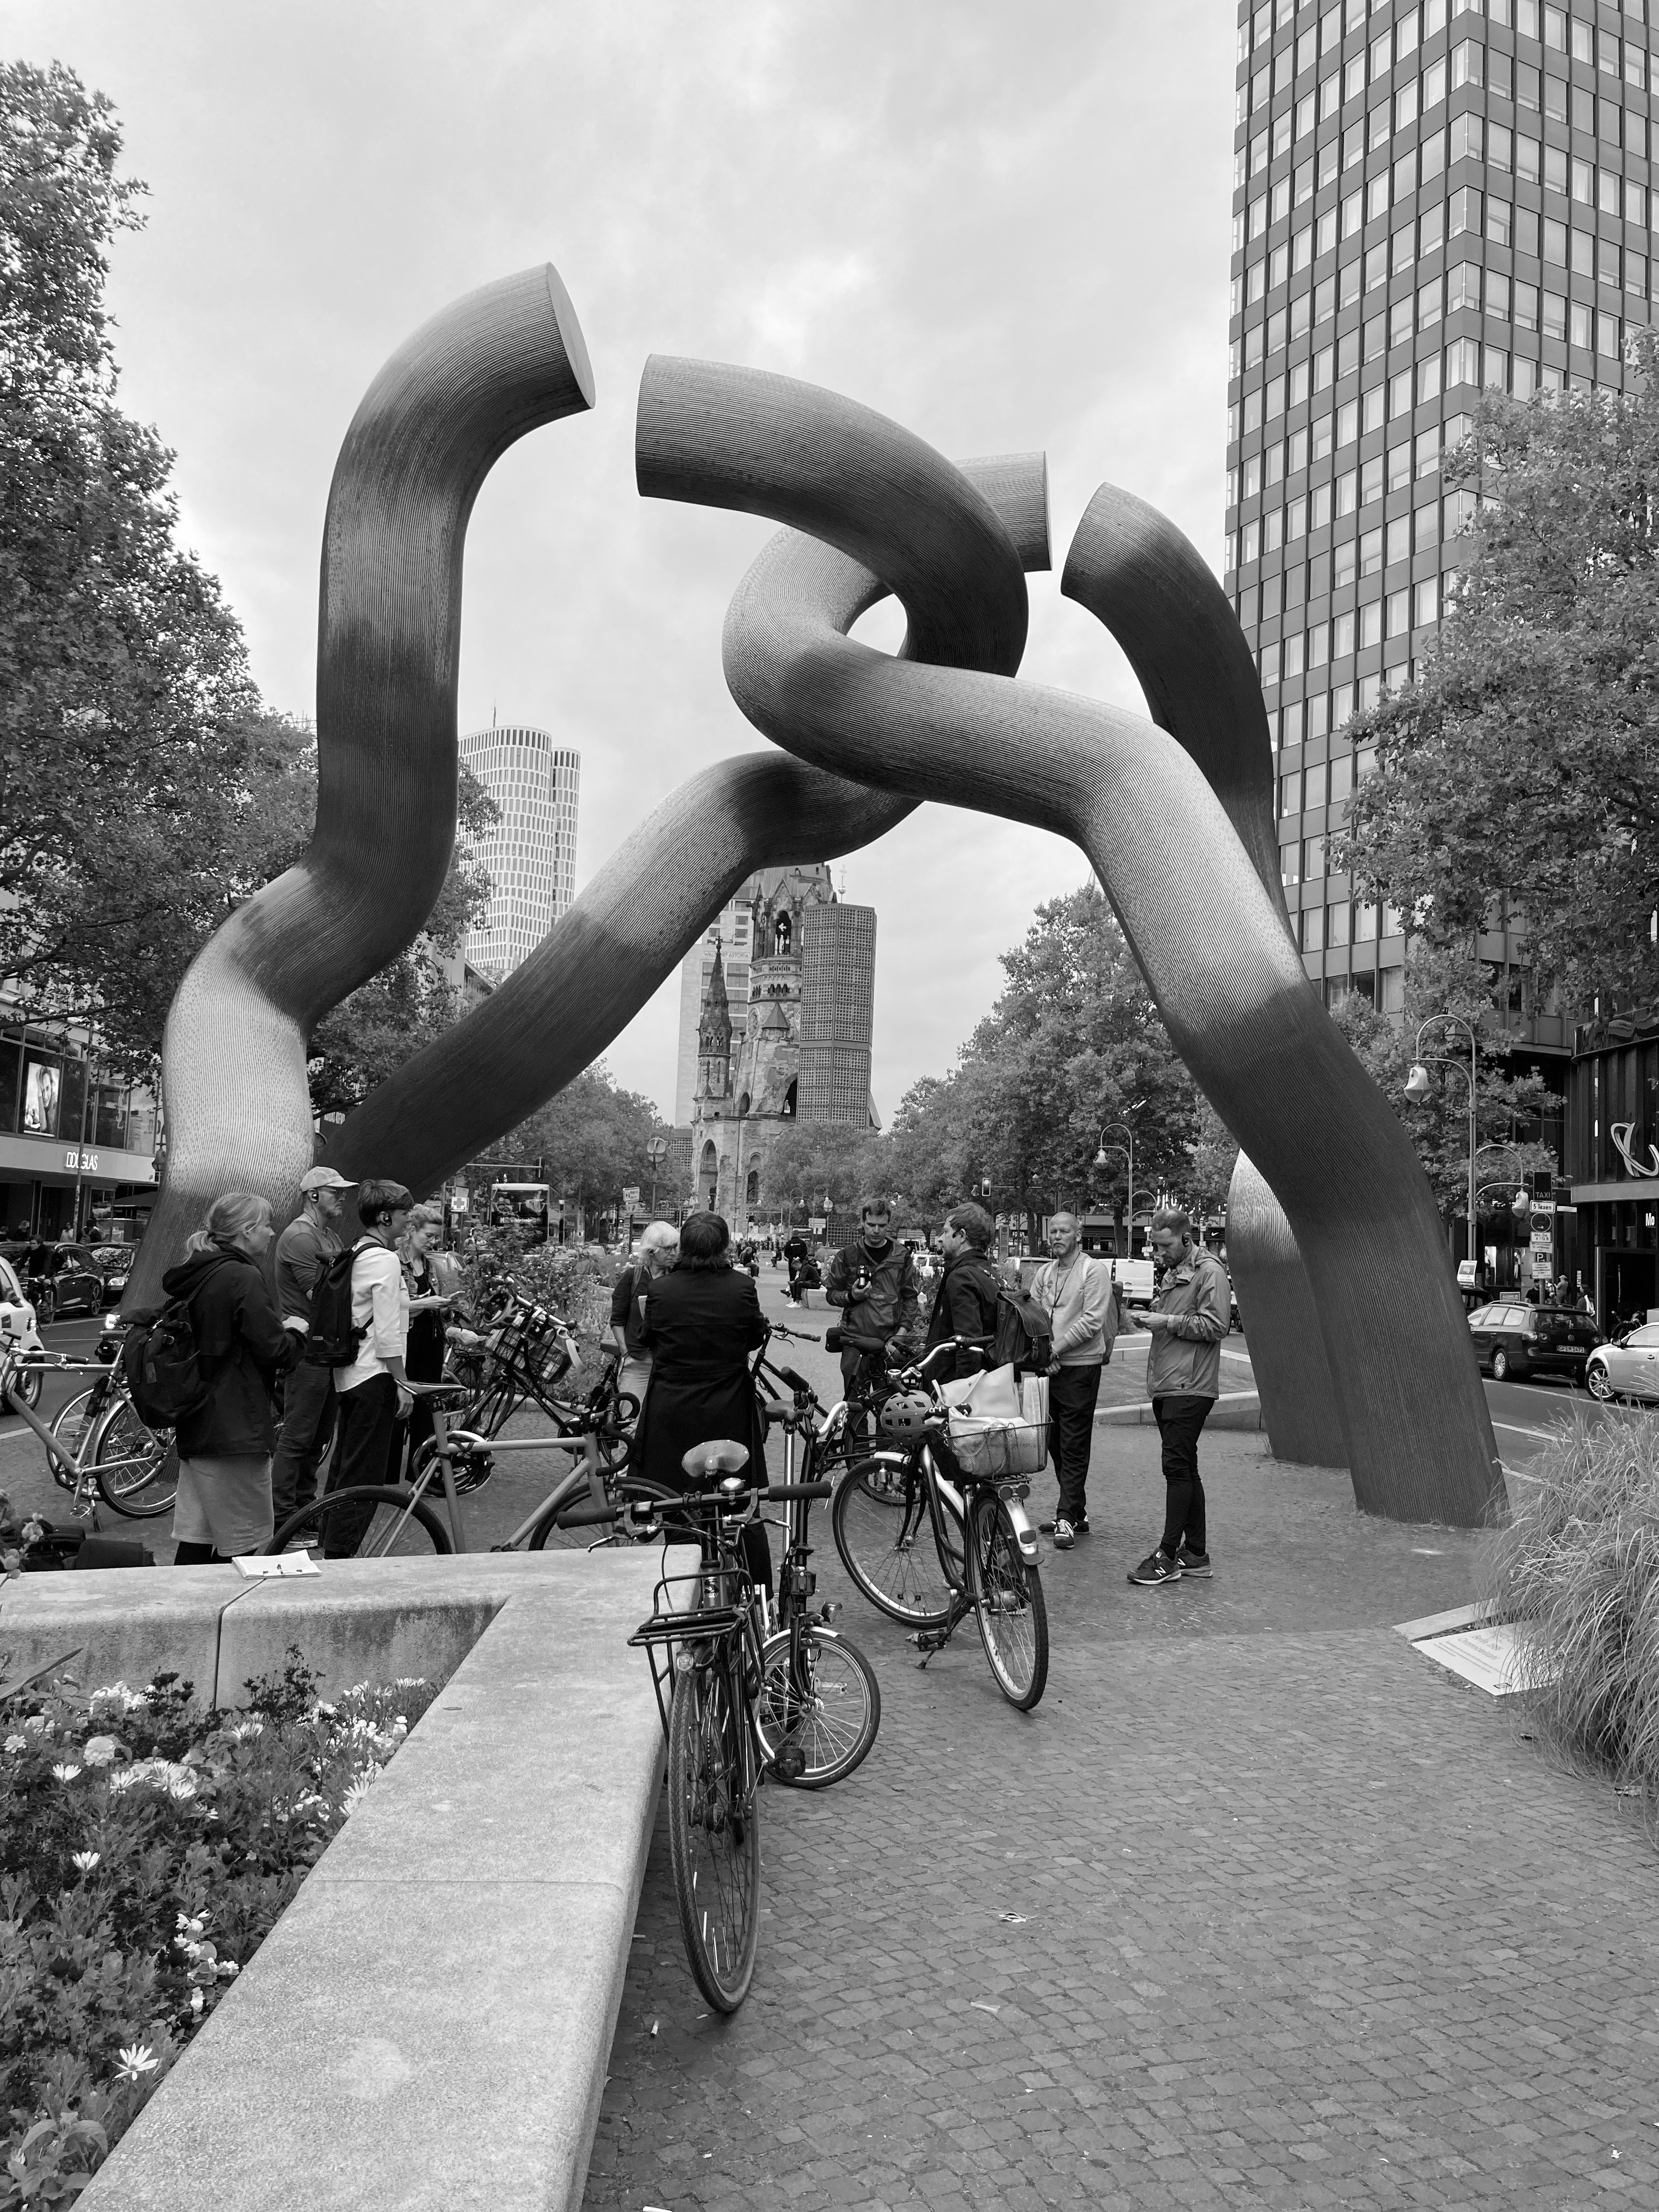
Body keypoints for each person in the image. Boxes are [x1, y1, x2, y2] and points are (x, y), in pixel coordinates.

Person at [631, 1211, 771, 1590]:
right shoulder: (741, 1287)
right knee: (740, 1500)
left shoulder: (662, 1291)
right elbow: (755, 1337)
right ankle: (755, 1593)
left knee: (675, 1501)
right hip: (727, 1405)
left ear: (686, 1246)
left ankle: (682, 1584)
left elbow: (648, 1339)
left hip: (673, 1409)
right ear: (724, 1246)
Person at [162, 1192, 302, 1564]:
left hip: (200, 1422)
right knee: (244, 1545)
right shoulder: (242, 1276)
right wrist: (297, 1332)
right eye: (267, 1225)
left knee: (197, 1538)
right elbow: (275, 1350)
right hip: (237, 1428)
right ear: (247, 1230)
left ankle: (179, 1614)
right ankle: (226, 1619)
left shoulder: (200, 1272)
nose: (272, 1233)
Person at [1130, 1206, 1230, 1589]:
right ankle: (1196, 1555)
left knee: (1176, 1468)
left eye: (1164, 1246)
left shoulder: (1210, 1272)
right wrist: (1160, 1314)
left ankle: (1168, 1555)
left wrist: (1166, 1322)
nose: (1158, 1254)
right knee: (1185, 1467)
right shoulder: (1177, 1270)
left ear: (1186, 1238)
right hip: (1172, 1383)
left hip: (1190, 1387)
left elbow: (1217, 1325)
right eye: (1154, 1246)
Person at [323, 1180, 414, 1543]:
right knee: (364, 1474)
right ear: (385, 1217)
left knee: (345, 1464)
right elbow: (388, 1334)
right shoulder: (385, 1260)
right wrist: (403, 1383)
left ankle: (330, 1537)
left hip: (348, 1373)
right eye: (405, 1213)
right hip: (374, 1375)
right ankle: (342, 1551)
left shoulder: (356, 1252)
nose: (410, 1219)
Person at [270, 1166, 356, 1530]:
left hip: (326, 1351)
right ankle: (284, 1518)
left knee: (317, 1438)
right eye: (335, 1191)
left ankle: (303, 1511)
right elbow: (321, 1298)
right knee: (297, 1437)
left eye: (342, 1191)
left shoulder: (329, 1236)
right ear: (313, 1195)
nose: (342, 1197)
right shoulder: (302, 1238)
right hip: (308, 1351)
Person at [1032, 1210, 1115, 1550]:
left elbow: (1092, 1321)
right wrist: (1042, 1355)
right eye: (1053, 1231)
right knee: (1054, 1442)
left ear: (1078, 1235)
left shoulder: (1092, 1270)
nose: (1056, 1237)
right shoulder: (1044, 1273)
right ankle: (1075, 1512)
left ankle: (1066, 1515)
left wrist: (1055, 1350)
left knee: (1074, 1443)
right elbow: (1034, 1317)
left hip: (1081, 1367)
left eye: (1064, 1231)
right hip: (1050, 1368)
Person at [826, 1198, 921, 1398]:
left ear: (889, 1224)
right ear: (862, 1223)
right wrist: (851, 1296)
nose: (876, 1231)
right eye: (871, 1225)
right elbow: (831, 1294)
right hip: (854, 1340)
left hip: (889, 1341)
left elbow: (911, 1298)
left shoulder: (901, 1255)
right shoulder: (847, 1255)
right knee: (853, 1406)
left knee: (889, 1407)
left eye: (882, 1226)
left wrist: (902, 1332)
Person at [389, 1201, 454, 1483]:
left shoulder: (431, 1265)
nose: (433, 1242)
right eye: (428, 1236)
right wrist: (426, 1303)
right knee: (399, 1408)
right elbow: (393, 1306)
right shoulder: (393, 1261)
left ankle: (419, 1475)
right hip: (407, 1342)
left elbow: (435, 1306)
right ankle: (386, 1476)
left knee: (427, 1410)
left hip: (431, 1342)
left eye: (437, 1237)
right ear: (412, 1231)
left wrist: (448, 1306)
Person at [923, 1203, 1001, 1380]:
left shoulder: (963, 1277)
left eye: (945, 1232)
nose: (940, 1239)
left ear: (962, 1236)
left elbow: (968, 1345)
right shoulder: (988, 1273)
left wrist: (964, 1392)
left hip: (954, 1389)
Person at [610, 1221, 679, 1418]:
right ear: (651, 1252)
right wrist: (625, 1353)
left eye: (675, 1247)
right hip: (637, 1361)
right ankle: (625, 1451)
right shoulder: (632, 1278)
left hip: (667, 1363)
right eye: (668, 1249)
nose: (674, 1253)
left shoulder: (676, 1280)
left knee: (663, 1422)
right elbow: (617, 1320)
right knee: (631, 1423)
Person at [782, 1227, 809, 1304]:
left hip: (792, 1262)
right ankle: (798, 1295)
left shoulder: (789, 1243)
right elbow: (805, 1252)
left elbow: (786, 1253)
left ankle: (793, 1295)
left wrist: (792, 1258)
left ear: (792, 1235)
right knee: (802, 1277)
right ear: (799, 1235)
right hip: (801, 1261)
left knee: (792, 1278)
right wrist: (800, 1257)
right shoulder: (802, 1243)